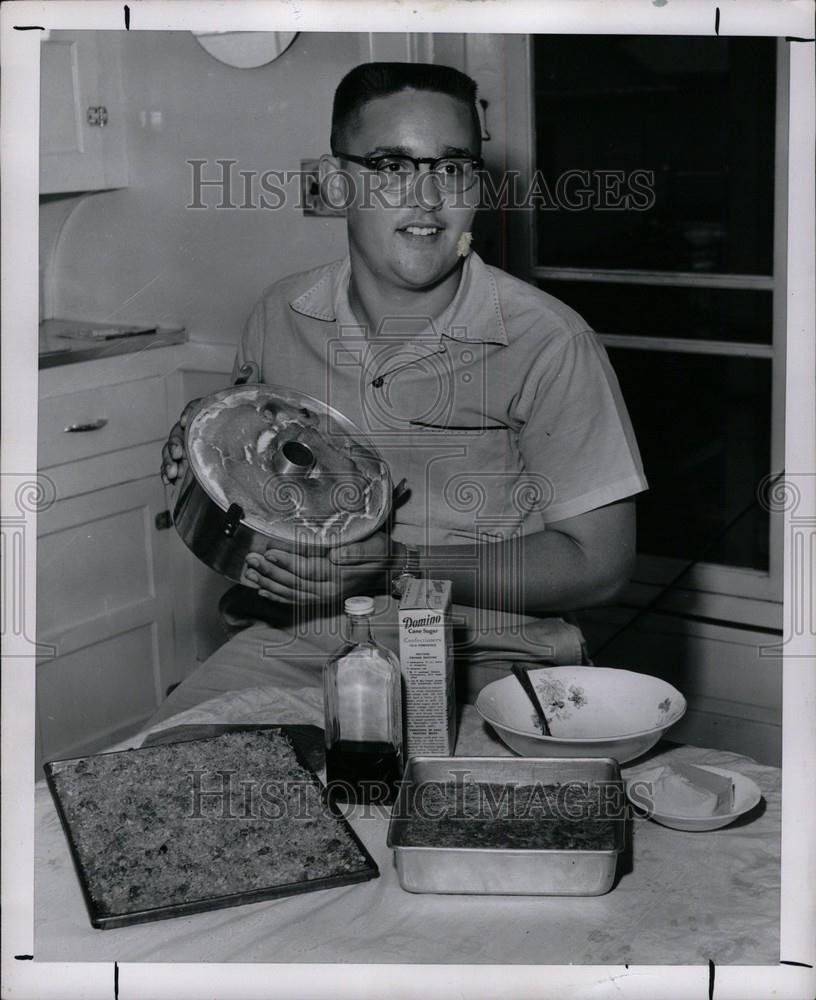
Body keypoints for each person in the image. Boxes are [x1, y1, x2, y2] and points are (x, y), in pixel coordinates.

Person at [159, 62, 647, 709]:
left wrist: (398, 564)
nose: (426, 197)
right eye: (391, 166)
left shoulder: (548, 339)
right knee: (157, 776)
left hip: (489, 661)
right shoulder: (280, 313)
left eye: (452, 167)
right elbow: (271, 512)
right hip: (294, 645)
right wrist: (205, 457)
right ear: (336, 184)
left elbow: (601, 565)